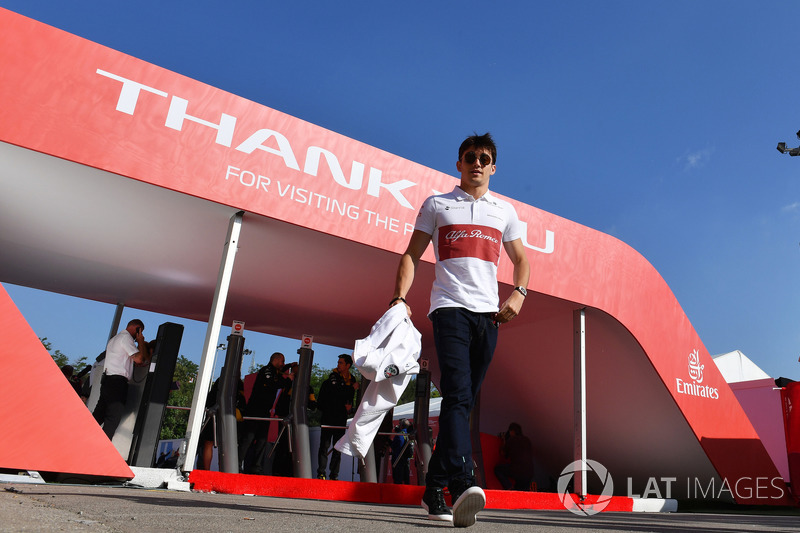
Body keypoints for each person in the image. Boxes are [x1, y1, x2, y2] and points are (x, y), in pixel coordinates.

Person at [391, 132, 530, 527]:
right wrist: (398, 298)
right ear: (459, 163)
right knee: (456, 395)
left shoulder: (505, 212)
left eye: (485, 158)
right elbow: (411, 254)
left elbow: (522, 260)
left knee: (462, 404)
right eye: (470, 156)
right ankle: (463, 481)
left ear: (493, 167)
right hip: (449, 309)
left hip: (489, 317)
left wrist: (518, 293)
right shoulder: (437, 205)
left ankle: (432, 488)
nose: (477, 163)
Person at [92, 319, 151, 440]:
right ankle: (102, 446)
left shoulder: (114, 339)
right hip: (117, 382)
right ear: (137, 329)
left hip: (107, 381)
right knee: (113, 417)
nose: (138, 336)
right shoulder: (126, 338)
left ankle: (83, 438)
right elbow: (139, 359)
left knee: (99, 415)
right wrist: (140, 342)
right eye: (139, 332)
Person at [238, 352, 293, 474]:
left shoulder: (275, 372)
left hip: (265, 412)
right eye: (282, 361)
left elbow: (279, 374)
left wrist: (289, 365)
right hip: (254, 411)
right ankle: (237, 464)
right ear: (276, 360)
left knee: (262, 440)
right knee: (249, 438)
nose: (283, 364)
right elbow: (274, 384)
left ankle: (256, 467)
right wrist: (289, 380)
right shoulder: (266, 370)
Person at [316, 353, 358, 480]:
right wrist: (351, 389)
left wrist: (350, 408)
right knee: (324, 446)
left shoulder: (352, 379)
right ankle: (321, 473)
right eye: (338, 362)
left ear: (348, 365)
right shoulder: (333, 377)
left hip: (341, 418)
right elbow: (337, 392)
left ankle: (334, 475)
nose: (338, 365)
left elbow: (348, 398)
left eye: (341, 363)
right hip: (328, 417)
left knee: (338, 448)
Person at [494, 422, 535, 491]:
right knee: (522, 491)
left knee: (497, 469)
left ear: (512, 431)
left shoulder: (512, 440)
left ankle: (510, 488)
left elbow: (502, 453)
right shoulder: (527, 440)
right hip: (530, 472)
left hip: (517, 471)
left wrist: (504, 441)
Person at [391, 419, 414, 485]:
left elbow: (394, 446)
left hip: (398, 460)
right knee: (406, 479)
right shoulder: (409, 434)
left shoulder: (399, 435)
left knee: (398, 479)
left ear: (401, 426)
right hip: (406, 459)